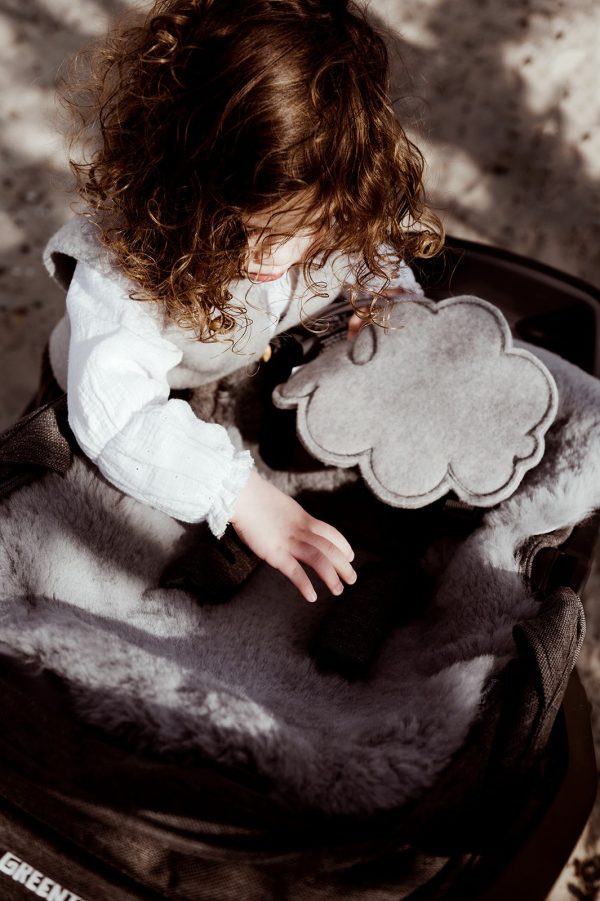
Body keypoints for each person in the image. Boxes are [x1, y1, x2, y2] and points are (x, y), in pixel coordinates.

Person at [43, 0, 443, 605]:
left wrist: (385, 297)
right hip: (118, 396)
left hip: (240, 360)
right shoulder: (123, 262)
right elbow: (118, 415)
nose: (266, 258)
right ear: (178, 188)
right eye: (237, 228)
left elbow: (370, 250)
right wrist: (239, 493)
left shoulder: (334, 196)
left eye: (296, 229)